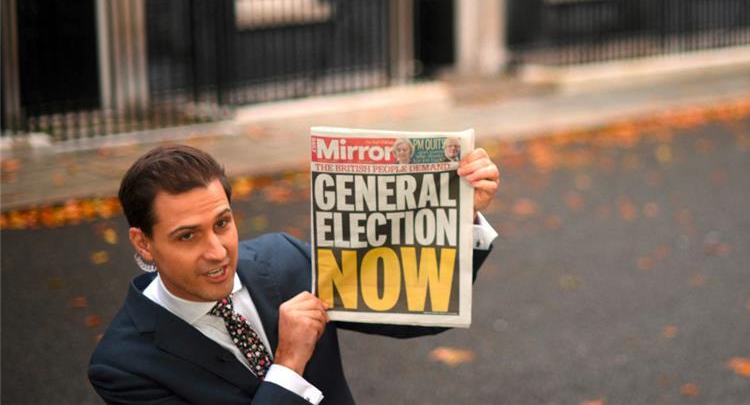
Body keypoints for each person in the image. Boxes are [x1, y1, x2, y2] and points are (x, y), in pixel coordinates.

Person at [88, 144, 500, 404]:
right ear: (143, 243)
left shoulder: (281, 259)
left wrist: (462, 216)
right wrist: (288, 364)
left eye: (222, 223)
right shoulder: (123, 367)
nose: (216, 251)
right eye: (186, 236)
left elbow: (415, 314)